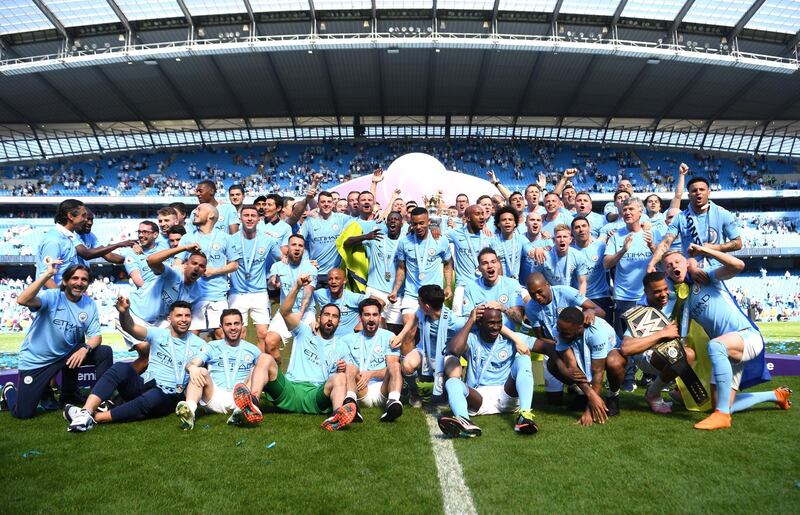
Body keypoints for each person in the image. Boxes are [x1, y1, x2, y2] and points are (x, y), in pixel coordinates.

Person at [662, 246, 790, 430]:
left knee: (715, 346)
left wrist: (703, 252)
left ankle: (722, 417)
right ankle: (776, 395)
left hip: (746, 336)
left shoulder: (704, 276)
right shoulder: (682, 296)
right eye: (668, 265)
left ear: (686, 264)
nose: (673, 265)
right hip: (726, 349)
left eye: (677, 261)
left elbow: (738, 265)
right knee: (720, 404)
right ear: (666, 271)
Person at [64, 299, 204, 432]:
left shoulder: (200, 344)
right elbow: (130, 327)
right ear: (169, 318)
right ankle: (85, 411)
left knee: (153, 398)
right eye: (179, 315)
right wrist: (124, 312)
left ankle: (95, 418)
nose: (184, 319)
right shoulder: (158, 334)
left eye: (187, 316)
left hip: (169, 395)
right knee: (120, 368)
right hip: (144, 384)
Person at [241, 274, 357, 431]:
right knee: (265, 358)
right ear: (319, 317)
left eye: (334, 316)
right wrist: (297, 286)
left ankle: (337, 415)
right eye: (327, 315)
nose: (330, 319)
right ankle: (253, 402)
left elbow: (345, 376)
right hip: (290, 389)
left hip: (315, 395)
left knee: (340, 377)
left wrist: (341, 370)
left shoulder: (341, 346)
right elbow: (285, 311)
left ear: (338, 322)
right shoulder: (304, 330)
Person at [3, 262, 112, 419]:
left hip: (66, 354)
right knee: (23, 413)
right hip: (37, 360)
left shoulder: (89, 304)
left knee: (104, 352)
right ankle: (9, 390)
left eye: (84, 279)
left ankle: (98, 400)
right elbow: (22, 300)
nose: (79, 283)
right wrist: (47, 274)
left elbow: (96, 336)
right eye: (75, 278)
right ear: (66, 281)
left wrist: (85, 348)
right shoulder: (52, 296)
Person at [437, 307, 539, 437]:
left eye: (499, 322)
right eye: (491, 322)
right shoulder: (472, 339)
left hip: (506, 394)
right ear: (479, 323)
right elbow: (453, 350)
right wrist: (470, 321)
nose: (496, 327)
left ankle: (524, 415)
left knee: (523, 359)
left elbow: (547, 347)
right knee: (452, 382)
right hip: (478, 398)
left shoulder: (513, 339)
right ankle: (464, 422)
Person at [618, 271, 696, 414]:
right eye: (657, 291)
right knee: (687, 355)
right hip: (647, 357)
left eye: (665, 289)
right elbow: (626, 348)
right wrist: (662, 334)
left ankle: (680, 391)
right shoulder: (640, 313)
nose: (663, 294)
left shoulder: (675, 300)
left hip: (671, 350)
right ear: (646, 292)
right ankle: (653, 393)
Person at [175, 309, 263, 430]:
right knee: (200, 371)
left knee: (256, 369)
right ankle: (189, 412)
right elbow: (193, 363)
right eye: (228, 324)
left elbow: (263, 373)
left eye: (236, 323)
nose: (233, 328)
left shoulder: (252, 349)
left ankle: (240, 412)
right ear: (221, 327)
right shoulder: (211, 346)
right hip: (214, 395)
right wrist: (191, 368)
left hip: (241, 397)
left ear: (242, 325)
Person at [524, 272, 605, 404]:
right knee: (554, 401)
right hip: (556, 346)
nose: (537, 297)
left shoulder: (566, 292)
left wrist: (591, 311)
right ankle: (575, 387)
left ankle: (586, 392)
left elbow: (600, 311)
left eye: (540, 292)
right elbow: (540, 337)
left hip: (578, 342)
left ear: (547, 285)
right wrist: (560, 346)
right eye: (532, 294)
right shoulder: (531, 308)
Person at [548, 307, 625, 426]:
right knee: (553, 365)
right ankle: (581, 395)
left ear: (579, 328)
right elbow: (572, 366)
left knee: (614, 363)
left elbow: (598, 372)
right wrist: (591, 395)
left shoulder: (597, 332)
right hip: (580, 350)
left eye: (566, 333)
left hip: (611, 351)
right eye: (559, 330)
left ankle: (613, 397)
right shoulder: (559, 330)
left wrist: (589, 412)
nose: (561, 335)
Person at [175, 203, 241, 338]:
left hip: (217, 294)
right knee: (192, 335)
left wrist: (214, 271)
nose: (195, 212)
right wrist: (187, 269)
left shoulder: (225, 238)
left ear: (211, 215)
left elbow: (234, 265)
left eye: (199, 209)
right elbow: (177, 264)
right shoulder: (188, 238)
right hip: (192, 296)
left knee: (222, 335)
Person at [395, 284, 467, 407]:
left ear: (427, 307)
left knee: (455, 373)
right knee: (406, 364)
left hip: (445, 356)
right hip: (424, 352)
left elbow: (470, 329)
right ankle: (414, 393)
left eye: (419, 302)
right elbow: (414, 318)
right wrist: (400, 335)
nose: (418, 304)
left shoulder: (455, 322)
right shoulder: (422, 312)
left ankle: (445, 393)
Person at [650, 176, 743, 269]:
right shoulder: (680, 217)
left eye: (702, 189)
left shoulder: (723, 214)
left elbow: (738, 243)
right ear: (689, 195)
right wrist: (652, 263)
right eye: (694, 191)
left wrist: (715, 248)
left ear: (708, 192)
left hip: (717, 270)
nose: (698, 192)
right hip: (691, 271)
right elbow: (666, 242)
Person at [389, 207, 453, 335]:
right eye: (415, 223)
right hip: (412, 295)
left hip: (433, 295)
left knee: (434, 333)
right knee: (409, 331)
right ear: (410, 223)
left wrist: (449, 286)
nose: (418, 227)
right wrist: (395, 290)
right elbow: (401, 268)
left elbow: (448, 264)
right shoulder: (404, 243)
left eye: (421, 223)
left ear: (429, 221)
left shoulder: (440, 240)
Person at [228, 205, 282, 354]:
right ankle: (242, 369)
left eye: (253, 215)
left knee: (263, 335)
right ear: (240, 218)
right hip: (236, 293)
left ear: (259, 219)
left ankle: (260, 368)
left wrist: (275, 273)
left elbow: (282, 259)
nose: (250, 218)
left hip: (259, 293)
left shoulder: (267, 240)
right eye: (246, 215)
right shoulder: (230, 240)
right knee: (239, 334)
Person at [339, 299, 404, 422]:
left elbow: (391, 369)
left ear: (380, 317)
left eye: (375, 314)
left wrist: (371, 374)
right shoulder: (347, 339)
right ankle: (351, 405)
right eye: (367, 314)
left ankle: (393, 403)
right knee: (350, 367)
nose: (371, 319)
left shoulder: (389, 337)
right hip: (359, 389)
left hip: (382, 389)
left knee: (395, 365)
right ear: (360, 317)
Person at [343, 211, 405, 332]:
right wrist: (365, 236)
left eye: (396, 219)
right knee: (368, 328)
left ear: (402, 223)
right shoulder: (377, 237)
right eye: (390, 219)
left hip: (397, 293)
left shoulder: (406, 242)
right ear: (386, 223)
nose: (393, 221)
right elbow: (347, 243)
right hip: (375, 289)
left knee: (393, 332)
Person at [604, 197, 654, 338]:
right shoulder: (616, 236)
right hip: (624, 298)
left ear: (641, 211)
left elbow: (661, 260)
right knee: (624, 340)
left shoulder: (651, 233)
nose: (627, 212)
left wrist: (652, 246)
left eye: (631, 209)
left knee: (646, 339)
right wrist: (622, 250)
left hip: (647, 296)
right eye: (624, 209)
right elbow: (606, 264)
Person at [268, 234, 318, 349]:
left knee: (308, 346)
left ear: (303, 250)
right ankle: (279, 367)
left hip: (305, 312)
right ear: (288, 248)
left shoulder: (311, 268)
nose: (297, 248)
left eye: (300, 246)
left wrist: (299, 315)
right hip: (285, 311)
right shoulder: (277, 266)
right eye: (294, 245)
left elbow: (307, 295)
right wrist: (273, 282)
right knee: (269, 341)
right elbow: (271, 287)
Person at [446, 205, 497, 315]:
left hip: (482, 286)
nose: (482, 217)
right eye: (477, 214)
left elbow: (497, 263)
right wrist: (435, 230)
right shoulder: (455, 233)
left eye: (482, 214)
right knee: (458, 321)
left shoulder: (488, 237)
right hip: (463, 286)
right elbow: (437, 238)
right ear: (467, 218)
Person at [462, 248, 525, 330]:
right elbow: (465, 323)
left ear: (498, 265)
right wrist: (474, 316)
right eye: (485, 263)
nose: (490, 266)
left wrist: (504, 308)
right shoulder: (470, 287)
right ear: (479, 268)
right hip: (480, 338)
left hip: (507, 339)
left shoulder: (512, 284)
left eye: (493, 262)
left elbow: (519, 320)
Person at [299, 191, 351, 287]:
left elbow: (360, 218)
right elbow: (298, 241)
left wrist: (378, 211)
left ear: (333, 204)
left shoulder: (342, 219)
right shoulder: (309, 222)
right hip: (314, 272)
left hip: (334, 274)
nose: (326, 204)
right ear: (318, 204)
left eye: (329, 202)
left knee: (334, 302)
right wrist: (305, 261)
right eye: (323, 202)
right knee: (311, 301)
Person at [571, 216, 612, 323]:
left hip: (601, 297)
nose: (581, 229)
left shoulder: (601, 247)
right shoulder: (569, 251)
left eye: (584, 226)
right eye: (577, 227)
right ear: (572, 232)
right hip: (580, 299)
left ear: (589, 228)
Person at [36, 199, 85, 288]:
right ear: (70, 216)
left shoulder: (69, 237)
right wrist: (62, 299)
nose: (85, 219)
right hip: (52, 299)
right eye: (83, 215)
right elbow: (45, 277)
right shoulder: (54, 240)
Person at [313, 268, 371, 336]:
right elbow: (303, 296)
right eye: (330, 279)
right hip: (328, 340)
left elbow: (379, 302)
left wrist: (362, 322)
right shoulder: (321, 294)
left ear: (344, 280)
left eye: (337, 278)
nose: (333, 281)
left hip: (349, 342)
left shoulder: (352, 297)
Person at [532, 224, 588, 295]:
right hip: (550, 295)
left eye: (565, 237)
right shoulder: (543, 255)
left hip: (572, 294)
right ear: (553, 240)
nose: (562, 240)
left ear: (570, 239)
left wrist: (580, 301)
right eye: (559, 237)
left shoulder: (578, 256)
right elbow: (534, 279)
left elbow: (582, 282)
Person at [493, 205, 528, 281]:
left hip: (515, 283)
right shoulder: (493, 241)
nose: (507, 222)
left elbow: (530, 250)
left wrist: (537, 250)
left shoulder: (521, 239)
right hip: (499, 282)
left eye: (510, 219)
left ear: (515, 223)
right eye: (504, 220)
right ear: (498, 224)